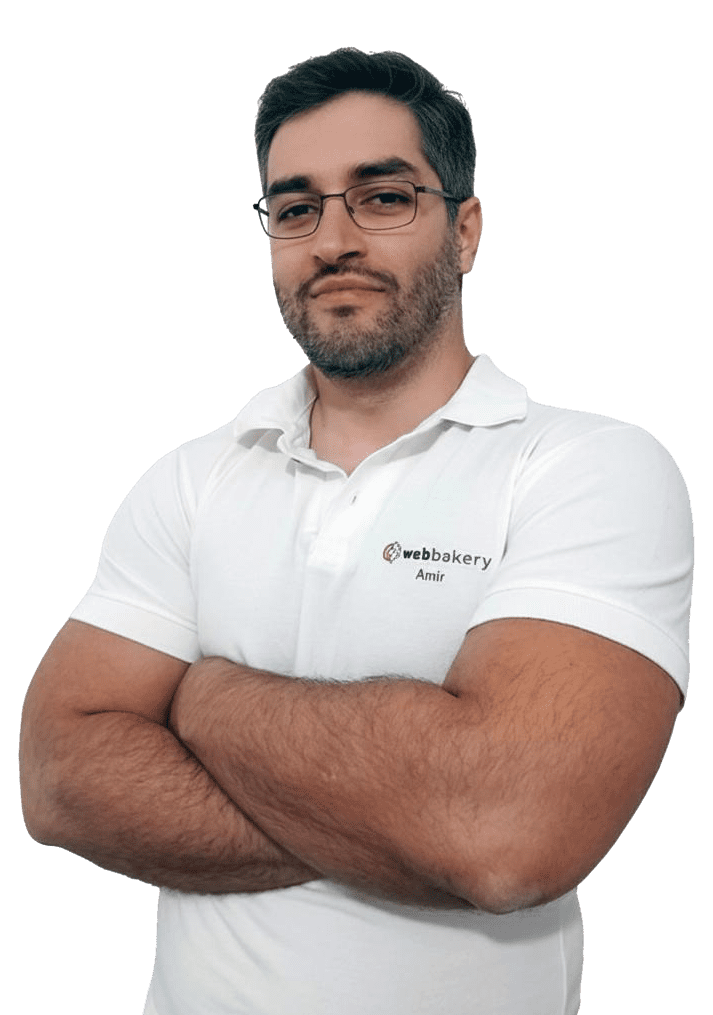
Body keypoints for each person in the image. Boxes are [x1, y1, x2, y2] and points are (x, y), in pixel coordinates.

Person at [19, 48, 693, 1015]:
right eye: (295, 208)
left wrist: (204, 697)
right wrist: (406, 818)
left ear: (464, 230)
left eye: (382, 198)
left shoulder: (587, 467)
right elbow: (59, 777)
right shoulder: (193, 480)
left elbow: (507, 836)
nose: (332, 240)